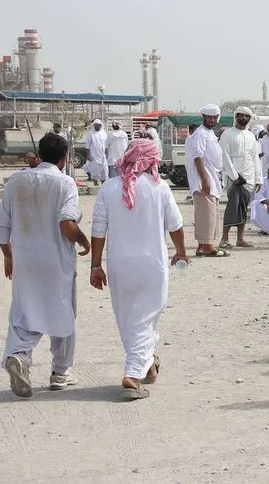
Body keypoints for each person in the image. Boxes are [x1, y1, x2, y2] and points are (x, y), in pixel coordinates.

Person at [0, 133, 90, 398]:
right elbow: (67, 224)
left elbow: (0, 227)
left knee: (23, 312)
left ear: (39, 154)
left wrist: (8, 256)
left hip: (25, 259)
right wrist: (83, 239)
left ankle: (19, 356)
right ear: (64, 157)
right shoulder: (65, 183)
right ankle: (60, 372)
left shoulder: (17, 181)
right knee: (63, 313)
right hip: (57, 260)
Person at [89, 139, 186, 400]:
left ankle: (149, 365)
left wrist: (95, 265)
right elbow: (175, 226)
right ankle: (133, 373)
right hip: (152, 264)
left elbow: (98, 230)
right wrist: (181, 251)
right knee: (146, 317)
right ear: (152, 160)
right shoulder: (159, 187)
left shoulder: (109, 187)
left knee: (131, 318)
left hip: (120, 266)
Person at [186, 104, 227, 258]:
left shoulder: (209, 133)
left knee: (209, 213)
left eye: (214, 117)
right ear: (203, 117)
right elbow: (198, 155)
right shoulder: (200, 134)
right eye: (209, 117)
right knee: (207, 213)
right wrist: (204, 178)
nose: (212, 120)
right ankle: (207, 247)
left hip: (212, 178)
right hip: (204, 178)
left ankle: (204, 246)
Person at [218, 106, 263, 249]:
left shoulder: (251, 136)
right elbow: (224, 155)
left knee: (243, 209)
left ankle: (240, 238)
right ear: (236, 117)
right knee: (232, 207)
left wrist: (258, 178)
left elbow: (255, 158)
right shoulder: (227, 134)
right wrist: (234, 176)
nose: (243, 118)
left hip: (249, 177)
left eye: (246, 116)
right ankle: (224, 239)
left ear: (249, 119)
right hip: (234, 178)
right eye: (241, 115)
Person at [84, 119, 109, 186]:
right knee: (95, 170)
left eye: (98, 125)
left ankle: (104, 184)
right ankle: (95, 184)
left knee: (104, 170)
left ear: (100, 125)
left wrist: (106, 152)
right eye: (95, 125)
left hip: (103, 155)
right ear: (94, 125)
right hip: (94, 155)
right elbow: (87, 145)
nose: (96, 126)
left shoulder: (103, 133)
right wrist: (88, 155)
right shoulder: (91, 133)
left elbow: (106, 144)